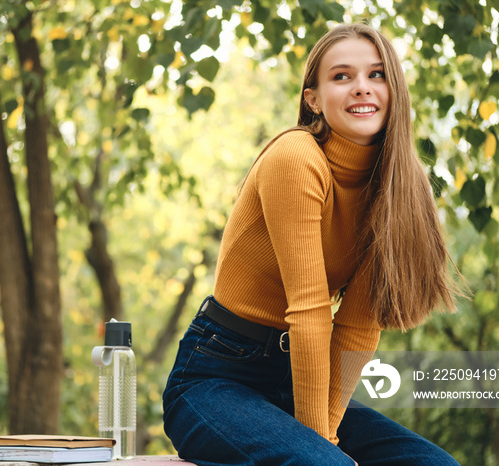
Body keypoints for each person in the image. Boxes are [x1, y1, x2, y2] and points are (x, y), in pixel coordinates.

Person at [162, 24, 461, 465]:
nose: (362, 88)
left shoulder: (398, 188)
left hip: (300, 380)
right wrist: (323, 445)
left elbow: (358, 327)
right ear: (313, 99)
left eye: (377, 75)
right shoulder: (297, 158)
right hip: (216, 376)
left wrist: (328, 431)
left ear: (394, 89)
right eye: (342, 77)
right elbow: (309, 310)